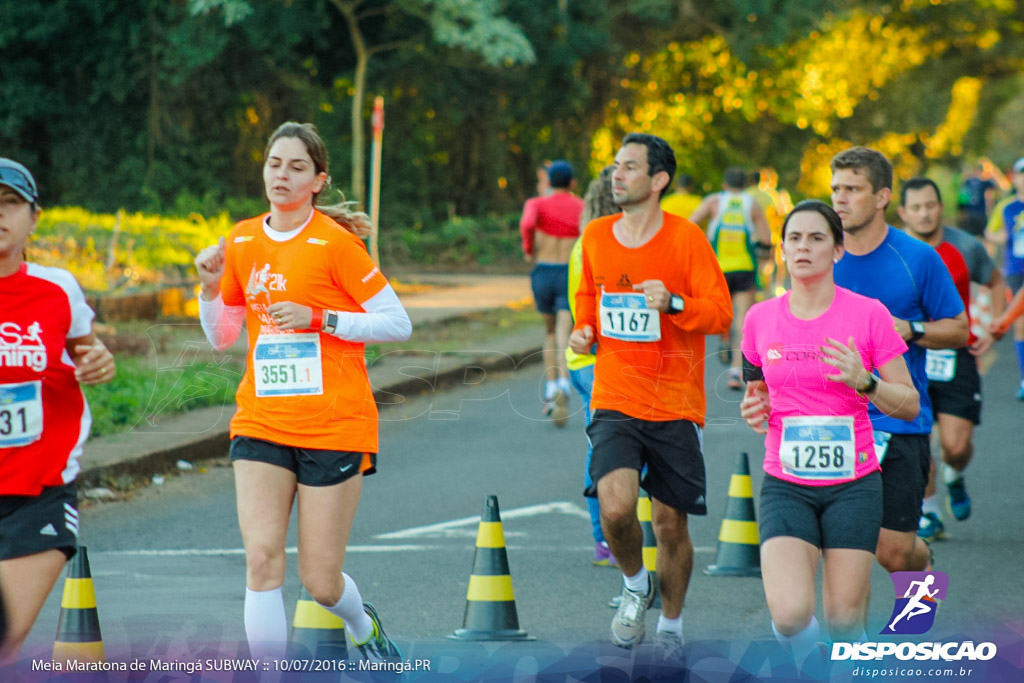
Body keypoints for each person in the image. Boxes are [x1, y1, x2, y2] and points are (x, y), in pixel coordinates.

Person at [194, 122, 410, 662]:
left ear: (318, 180)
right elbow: (222, 336)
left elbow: (396, 323)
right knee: (262, 559)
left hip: (334, 425)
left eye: (296, 167)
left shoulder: (337, 245)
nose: (282, 176)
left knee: (321, 582)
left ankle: (364, 626)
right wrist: (206, 289)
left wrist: (321, 318)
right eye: (274, 164)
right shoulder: (241, 239)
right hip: (262, 420)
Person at [569, 133, 732, 649]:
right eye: (615, 166)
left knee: (669, 522)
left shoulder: (686, 239)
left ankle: (672, 626)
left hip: (675, 402)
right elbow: (587, 302)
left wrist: (676, 303)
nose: (617, 175)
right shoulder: (595, 235)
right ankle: (636, 585)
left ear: (658, 180)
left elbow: (721, 313)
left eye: (630, 167)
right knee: (616, 509)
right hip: (615, 395)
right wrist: (583, 330)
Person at [740, 200, 918, 669]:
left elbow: (910, 403)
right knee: (792, 614)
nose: (804, 247)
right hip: (786, 483)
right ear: (781, 249)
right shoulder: (759, 318)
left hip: (853, 485)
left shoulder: (868, 315)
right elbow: (757, 388)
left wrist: (868, 382)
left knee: (843, 621)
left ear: (838, 250)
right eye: (794, 238)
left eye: (817, 238)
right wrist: (754, 406)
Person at [830, 147, 968, 576]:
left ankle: (922, 577)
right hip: (830, 422)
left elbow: (960, 329)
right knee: (840, 549)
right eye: (835, 189)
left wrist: (911, 329)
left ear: (882, 196)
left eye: (852, 189)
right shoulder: (818, 256)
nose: (840, 199)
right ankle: (844, 641)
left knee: (894, 553)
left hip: (897, 418)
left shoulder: (917, 258)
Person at [0, 159, 116, 663]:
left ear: (34, 217)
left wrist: (100, 362)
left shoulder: (57, 288)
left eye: (9, 203)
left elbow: (87, 353)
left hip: (39, 491)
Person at [898, 177, 1005, 539]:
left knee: (955, 447)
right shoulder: (893, 250)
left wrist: (995, 328)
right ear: (902, 212)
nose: (924, 214)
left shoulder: (965, 246)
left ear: (941, 207)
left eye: (930, 205)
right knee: (918, 437)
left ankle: (954, 474)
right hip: (909, 355)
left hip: (955, 353)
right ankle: (928, 512)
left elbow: (995, 280)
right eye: (916, 207)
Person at [566, 166, 619, 566]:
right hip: (600, 358)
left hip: (582, 359)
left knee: (600, 446)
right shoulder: (602, 244)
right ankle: (608, 537)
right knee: (607, 450)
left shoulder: (583, 242)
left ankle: (605, 537)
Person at [689, 167, 772, 390]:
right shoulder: (752, 204)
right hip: (744, 268)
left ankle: (722, 334)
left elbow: (689, 224)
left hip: (717, 269)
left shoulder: (714, 201)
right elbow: (766, 238)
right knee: (743, 319)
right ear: (745, 185)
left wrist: (704, 242)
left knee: (716, 311)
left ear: (724, 184)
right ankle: (736, 371)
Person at [520, 160, 584, 426]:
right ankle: (564, 387)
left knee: (548, 332)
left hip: (543, 272)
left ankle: (551, 387)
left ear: (548, 180)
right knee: (564, 334)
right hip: (568, 273)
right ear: (571, 183)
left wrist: (528, 249)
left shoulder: (536, 203)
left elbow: (527, 224)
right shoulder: (581, 205)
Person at [985, 157, 1024, 399]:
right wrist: (1006, 238)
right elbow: (990, 231)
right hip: (1016, 270)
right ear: (1015, 178)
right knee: (1021, 324)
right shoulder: (1007, 207)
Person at [956, 162, 996, 238]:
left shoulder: (967, 181)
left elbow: (961, 194)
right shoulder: (983, 182)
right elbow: (995, 185)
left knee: (971, 235)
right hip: (980, 213)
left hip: (970, 213)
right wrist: (992, 173)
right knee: (982, 236)